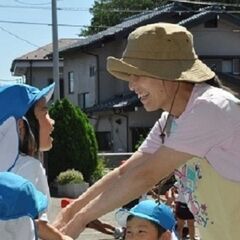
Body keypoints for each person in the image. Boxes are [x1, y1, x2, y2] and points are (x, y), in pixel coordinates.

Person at [53, 22, 240, 240]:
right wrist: (69, 213)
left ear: (168, 73)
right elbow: (126, 172)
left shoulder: (210, 107)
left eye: (137, 74)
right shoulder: (170, 120)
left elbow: (145, 176)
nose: (131, 85)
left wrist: (80, 220)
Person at [0, 83, 73, 240]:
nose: (52, 121)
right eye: (45, 112)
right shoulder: (29, 167)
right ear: (20, 126)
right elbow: (35, 225)